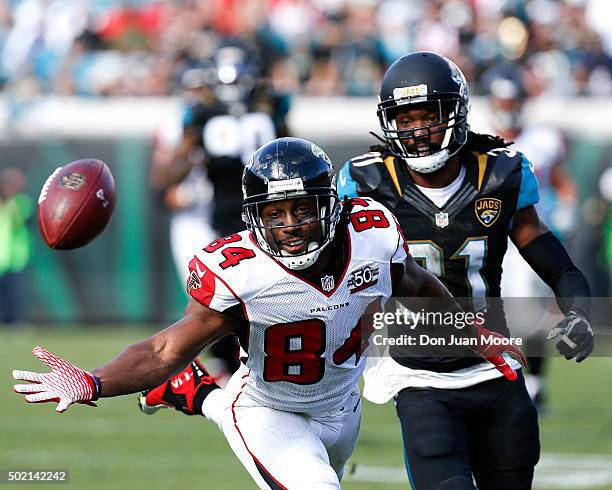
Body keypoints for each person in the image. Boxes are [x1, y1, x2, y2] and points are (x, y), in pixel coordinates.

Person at [13, 138, 524, 490]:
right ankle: (208, 394)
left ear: (330, 205)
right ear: (254, 215)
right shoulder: (241, 269)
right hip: (266, 407)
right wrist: (93, 382)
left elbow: (416, 284)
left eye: (302, 208)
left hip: (340, 405)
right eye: (274, 213)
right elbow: (164, 348)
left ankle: (196, 393)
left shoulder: (371, 235)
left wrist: (469, 330)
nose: (291, 225)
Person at [337, 52, 594, 489]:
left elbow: (556, 263)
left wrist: (578, 310)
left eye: (428, 116)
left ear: (456, 113)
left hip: (495, 367)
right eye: (404, 119)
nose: (417, 131)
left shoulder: (499, 173)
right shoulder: (367, 184)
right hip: (420, 374)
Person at [156, 40, 285, 379]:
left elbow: (163, 178)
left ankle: (230, 367)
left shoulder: (204, 118)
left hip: (228, 223)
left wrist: (193, 151)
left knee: (220, 301)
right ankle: (240, 366)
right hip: (265, 219)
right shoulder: (270, 111)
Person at [0, 167, 33, 326]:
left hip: (15, 258)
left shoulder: (21, 202)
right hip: (1, 258)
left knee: (14, 292)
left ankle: (16, 321)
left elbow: (22, 220)